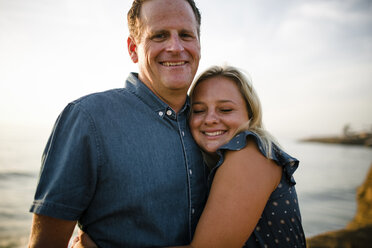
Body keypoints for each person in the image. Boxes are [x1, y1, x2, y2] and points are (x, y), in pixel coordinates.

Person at [27, 0, 209, 247]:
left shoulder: (214, 125)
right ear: (133, 49)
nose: (175, 47)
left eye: (186, 35)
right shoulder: (87, 119)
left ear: (198, 44)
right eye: (159, 36)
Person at [73, 65, 307, 248]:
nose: (210, 119)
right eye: (198, 110)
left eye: (225, 109)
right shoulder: (216, 163)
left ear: (250, 113)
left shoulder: (249, 153)